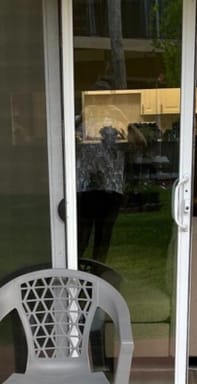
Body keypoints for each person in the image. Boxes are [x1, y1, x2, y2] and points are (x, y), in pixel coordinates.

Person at [75, 79, 144, 263]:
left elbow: (140, 143)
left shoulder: (118, 119)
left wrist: (125, 121)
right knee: (81, 236)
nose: (99, 103)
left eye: (103, 98)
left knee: (103, 237)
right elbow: (64, 140)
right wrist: (83, 116)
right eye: (95, 98)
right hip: (85, 187)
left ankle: (98, 274)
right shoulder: (82, 119)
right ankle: (76, 277)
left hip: (110, 187)